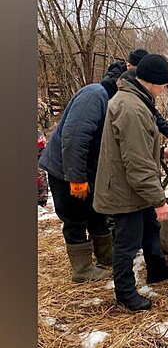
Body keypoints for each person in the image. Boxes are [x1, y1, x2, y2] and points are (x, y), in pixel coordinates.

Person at [93, 54, 168, 312]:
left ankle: (156, 269)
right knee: (127, 242)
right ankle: (125, 293)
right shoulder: (131, 107)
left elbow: (137, 148)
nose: (164, 89)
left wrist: (160, 152)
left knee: (150, 229)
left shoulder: (136, 100)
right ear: (154, 82)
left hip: (134, 186)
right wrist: (159, 201)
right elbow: (136, 163)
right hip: (126, 191)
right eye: (163, 84)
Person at [38, 68, 123, 283]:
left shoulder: (110, 99)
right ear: (120, 82)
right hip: (65, 169)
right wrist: (76, 179)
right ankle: (82, 269)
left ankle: (105, 255)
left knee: (96, 212)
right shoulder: (95, 95)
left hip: (86, 169)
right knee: (74, 216)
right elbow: (74, 139)